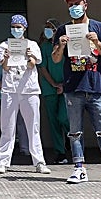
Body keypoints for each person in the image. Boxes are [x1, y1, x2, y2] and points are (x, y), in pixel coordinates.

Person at [52, 0, 101, 185]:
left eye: (77, 4)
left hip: (95, 86)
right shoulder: (63, 29)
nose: (74, 7)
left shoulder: (99, 27)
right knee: (75, 131)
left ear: (85, 5)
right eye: (70, 5)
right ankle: (79, 168)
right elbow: (56, 58)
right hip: (73, 87)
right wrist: (61, 45)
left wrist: (96, 42)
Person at [0, 14, 49, 176]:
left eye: (19, 27)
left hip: (29, 89)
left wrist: (29, 55)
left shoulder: (32, 45)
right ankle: (3, 161)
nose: (16, 29)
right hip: (10, 89)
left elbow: (33, 65)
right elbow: (4, 67)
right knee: (7, 127)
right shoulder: (4, 45)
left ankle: (39, 161)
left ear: (25, 28)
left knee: (33, 127)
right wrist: (6, 58)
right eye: (13, 27)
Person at [37, 19, 68, 164]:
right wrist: (54, 84)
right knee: (53, 121)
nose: (48, 31)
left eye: (51, 28)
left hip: (66, 87)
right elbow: (43, 68)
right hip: (50, 88)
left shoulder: (66, 45)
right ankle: (60, 152)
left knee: (64, 117)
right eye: (46, 28)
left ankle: (72, 142)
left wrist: (64, 85)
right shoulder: (44, 46)